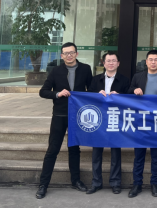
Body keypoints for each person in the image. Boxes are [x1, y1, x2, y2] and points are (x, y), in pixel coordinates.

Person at [36, 42, 93, 200]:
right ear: (62, 56)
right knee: (52, 150)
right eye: (66, 53)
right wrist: (57, 93)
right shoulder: (56, 71)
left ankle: (76, 181)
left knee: (74, 149)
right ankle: (43, 185)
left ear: (76, 54)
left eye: (71, 52)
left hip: (77, 116)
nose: (69, 55)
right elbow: (43, 91)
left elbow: (92, 90)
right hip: (59, 115)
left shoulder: (86, 69)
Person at [128, 50, 157, 199]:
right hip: (140, 121)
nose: (153, 62)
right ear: (146, 62)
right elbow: (128, 91)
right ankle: (137, 184)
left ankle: (155, 184)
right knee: (139, 155)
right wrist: (134, 90)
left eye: (156, 60)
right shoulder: (137, 77)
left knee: (156, 156)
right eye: (151, 59)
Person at [87, 52, 130, 195]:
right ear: (103, 63)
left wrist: (120, 97)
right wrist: (96, 95)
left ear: (118, 63)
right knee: (96, 153)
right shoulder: (95, 80)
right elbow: (87, 98)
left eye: (114, 61)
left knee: (115, 153)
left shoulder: (124, 80)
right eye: (108, 61)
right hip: (98, 120)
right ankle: (96, 182)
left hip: (115, 119)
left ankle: (115, 183)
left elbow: (130, 100)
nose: (111, 63)